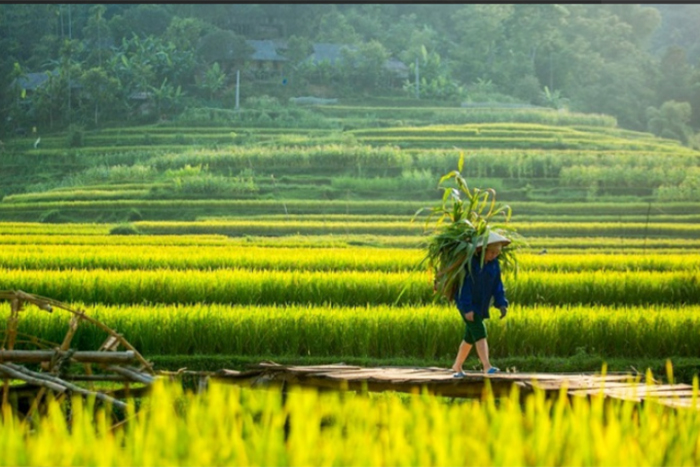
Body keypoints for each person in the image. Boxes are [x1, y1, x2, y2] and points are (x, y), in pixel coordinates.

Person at [451, 231, 510, 376]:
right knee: (480, 331)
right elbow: (464, 287)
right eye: (492, 253)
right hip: (468, 305)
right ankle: (486, 366)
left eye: (497, 253)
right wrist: (467, 308)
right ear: (482, 250)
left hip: (482, 305)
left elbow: (498, 285)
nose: (494, 256)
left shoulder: (494, 265)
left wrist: (501, 303)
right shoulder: (471, 264)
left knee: (470, 337)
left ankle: (457, 366)